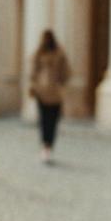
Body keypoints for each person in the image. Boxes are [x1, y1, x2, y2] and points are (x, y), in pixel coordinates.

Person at [29, 29, 70, 164]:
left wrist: (33, 85)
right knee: (51, 121)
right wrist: (61, 82)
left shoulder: (40, 53)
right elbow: (66, 72)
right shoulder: (59, 53)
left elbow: (33, 72)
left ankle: (45, 146)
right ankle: (48, 146)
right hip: (54, 92)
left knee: (45, 120)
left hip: (44, 91)